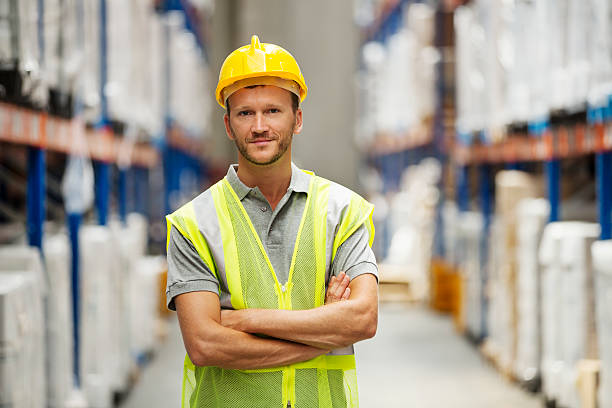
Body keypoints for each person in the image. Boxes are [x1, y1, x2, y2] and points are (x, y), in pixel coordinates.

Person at [165, 35, 379, 408]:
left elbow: (362, 319)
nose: (259, 125)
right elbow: (204, 343)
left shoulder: (341, 210)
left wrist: (242, 321)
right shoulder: (194, 224)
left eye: (273, 111)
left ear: (297, 119)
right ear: (229, 125)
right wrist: (322, 331)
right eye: (245, 113)